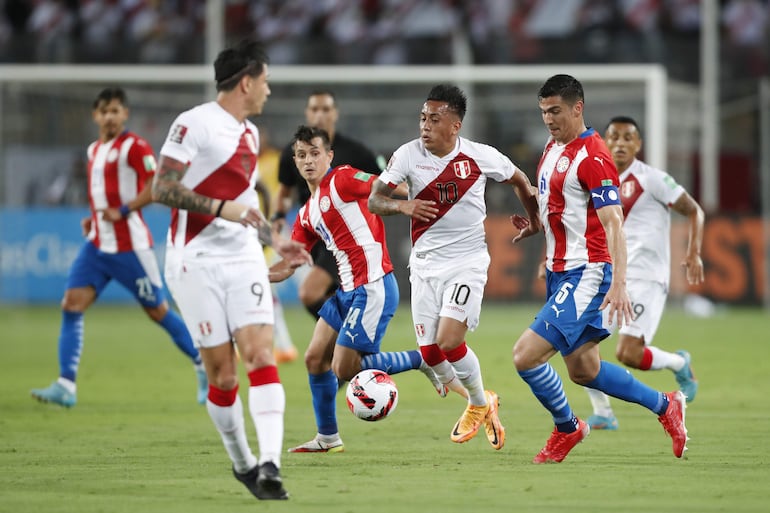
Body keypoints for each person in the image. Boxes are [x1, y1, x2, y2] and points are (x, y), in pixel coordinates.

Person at [151, 40, 312, 501]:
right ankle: (242, 462)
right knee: (223, 375)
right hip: (194, 259)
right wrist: (223, 208)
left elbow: (244, 208)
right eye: (264, 82)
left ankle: (271, 465)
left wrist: (275, 239)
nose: (268, 91)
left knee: (261, 355)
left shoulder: (250, 134)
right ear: (246, 82)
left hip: (243, 256)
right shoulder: (194, 123)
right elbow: (163, 187)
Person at [509, 74, 689, 464]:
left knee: (525, 356)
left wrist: (619, 282)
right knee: (584, 369)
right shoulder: (552, 148)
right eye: (543, 112)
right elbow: (559, 206)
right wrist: (536, 227)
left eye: (555, 111)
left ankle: (567, 427)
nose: (548, 119)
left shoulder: (593, 156)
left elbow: (613, 223)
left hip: (588, 273)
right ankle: (666, 404)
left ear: (578, 108)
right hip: (560, 272)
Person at [368, 84, 540, 451]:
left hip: (467, 263)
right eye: (422, 118)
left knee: (449, 340)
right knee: (430, 354)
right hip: (424, 265)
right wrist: (403, 207)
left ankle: (477, 403)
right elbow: (375, 199)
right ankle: (485, 401)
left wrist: (535, 221)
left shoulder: (479, 157)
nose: (425, 126)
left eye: (434, 119)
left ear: (456, 124)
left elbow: (520, 181)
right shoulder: (408, 155)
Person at [271, 125, 447, 453]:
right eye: (301, 155)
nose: (308, 160)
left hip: (373, 286)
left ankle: (422, 359)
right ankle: (327, 438)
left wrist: (408, 202)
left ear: (329, 156)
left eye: (314, 153)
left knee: (344, 368)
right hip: (347, 291)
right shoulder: (307, 214)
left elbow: (381, 186)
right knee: (313, 358)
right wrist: (254, 276)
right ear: (295, 161)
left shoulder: (342, 178)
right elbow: (290, 263)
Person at [30, 87, 206, 409]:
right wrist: (93, 219)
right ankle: (66, 384)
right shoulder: (93, 150)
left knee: (158, 312)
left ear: (125, 114)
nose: (110, 117)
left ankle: (202, 363)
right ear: (95, 116)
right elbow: (103, 193)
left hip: (130, 247)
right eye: (104, 111)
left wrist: (123, 211)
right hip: (97, 245)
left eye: (115, 111)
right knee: (71, 304)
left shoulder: (135, 147)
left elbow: (157, 186)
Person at [583, 115, 703, 431]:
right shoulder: (598, 180)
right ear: (605, 142)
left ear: (638, 144)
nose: (620, 143)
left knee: (629, 354)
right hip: (610, 275)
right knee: (579, 344)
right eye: (614, 137)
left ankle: (680, 364)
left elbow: (694, 210)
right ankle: (604, 413)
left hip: (647, 278)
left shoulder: (653, 179)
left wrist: (693, 252)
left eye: (628, 138)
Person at [273, 90, 383, 321]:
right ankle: (349, 348)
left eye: (325, 109)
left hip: (345, 239)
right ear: (307, 113)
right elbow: (284, 192)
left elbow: (382, 185)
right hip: (315, 235)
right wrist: (278, 216)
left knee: (309, 293)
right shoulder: (292, 152)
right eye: (314, 109)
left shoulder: (356, 152)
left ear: (335, 114)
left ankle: (353, 342)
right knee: (317, 353)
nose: (319, 115)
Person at [255, 129, 298, 364]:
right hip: (256, 231)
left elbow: (285, 186)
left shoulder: (275, 159)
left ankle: (282, 345)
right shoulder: (250, 162)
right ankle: (281, 345)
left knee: (262, 284)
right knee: (262, 288)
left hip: (272, 230)